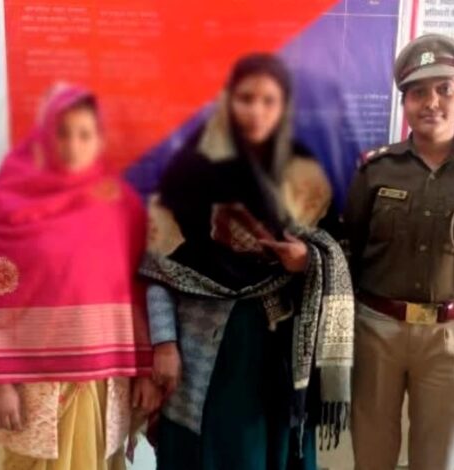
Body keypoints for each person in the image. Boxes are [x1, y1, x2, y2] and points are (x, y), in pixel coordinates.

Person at [141, 53, 355, 470]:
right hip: (202, 345)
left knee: (265, 448)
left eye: (269, 100)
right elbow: (157, 263)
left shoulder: (307, 175)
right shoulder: (188, 169)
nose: (256, 111)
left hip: (278, 347)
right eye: (246, 98)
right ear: (227, 101)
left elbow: (339, 249)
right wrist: (163, 343)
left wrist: (308, 261)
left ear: (284, 107)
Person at [345, 33, 454, 470]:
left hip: (453, 338)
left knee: (437, 460)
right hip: (377, 331)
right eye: (418, 92)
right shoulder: (376, 168)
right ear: (405, 103)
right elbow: (349, 255)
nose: (431, 102)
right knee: (371, 456)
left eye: (445, 89)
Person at [0, 84, 161, 470]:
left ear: (101, 140)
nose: (73, 145)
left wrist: (144, 371)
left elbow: (137, 290)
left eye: (85, 135)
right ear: (44, 137)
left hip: (106, 379)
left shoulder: (120, 205)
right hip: (35, 384)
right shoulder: (9, 204)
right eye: (62, 133)